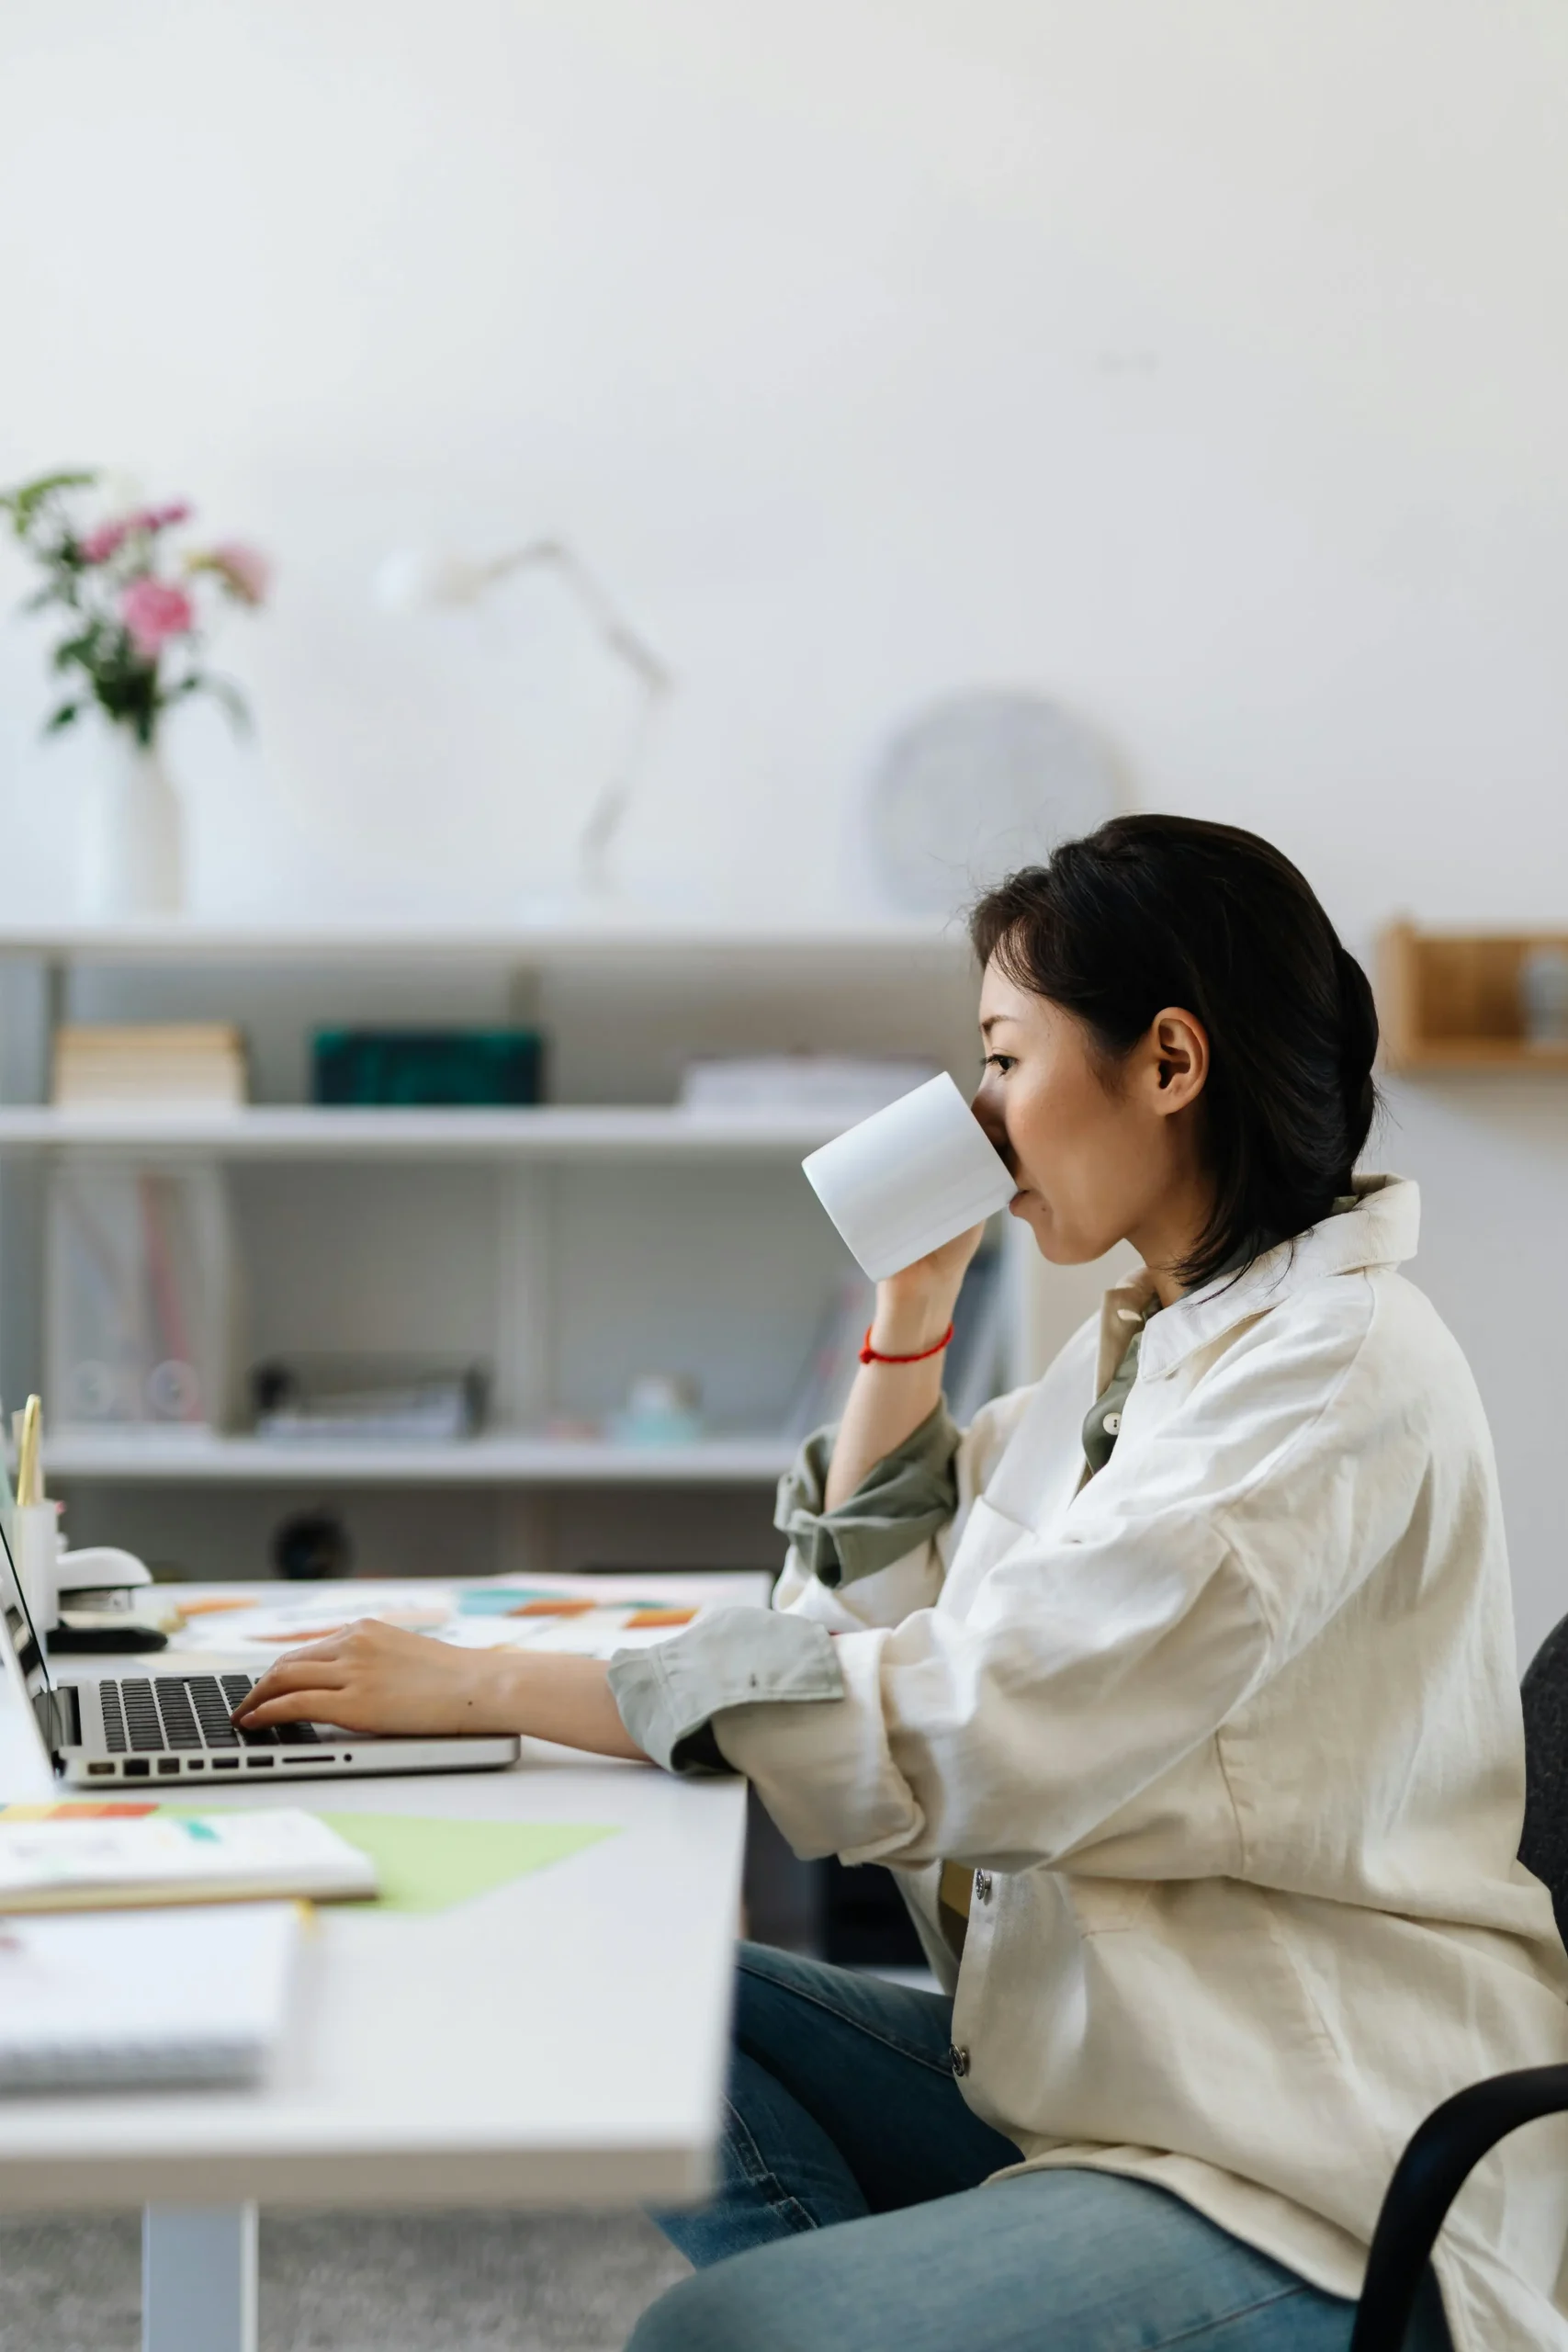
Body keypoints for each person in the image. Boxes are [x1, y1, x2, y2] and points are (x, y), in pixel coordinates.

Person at [235, 817, 1568, 2352]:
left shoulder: (1329, 1373)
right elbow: (878, 1604)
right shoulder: (1155, 1336)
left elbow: (975, 1720)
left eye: (1002, 1057)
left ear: (1170, 1062)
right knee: (649, 1986)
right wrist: (911, 1303)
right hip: (1105, 2073)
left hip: (1304, 2161)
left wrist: (480, 1685)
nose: (982, 1113)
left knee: (721, 2339)